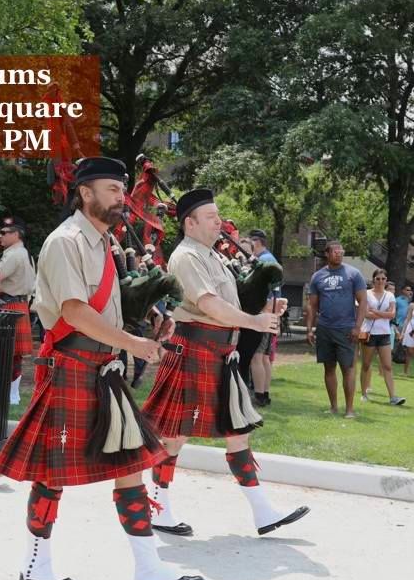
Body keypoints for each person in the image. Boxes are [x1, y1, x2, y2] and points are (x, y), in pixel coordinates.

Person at [0, 157, 205, 580]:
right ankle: (37, 563)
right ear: (85, 192)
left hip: (104, 370)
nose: (120, 198)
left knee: (131, 466)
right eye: (111, 189)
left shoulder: (103, 243)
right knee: (53, 474)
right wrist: (133, 344)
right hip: (71, 364)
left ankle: (149, 567)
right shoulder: (65, 242)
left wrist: (147, 317)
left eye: (122, 190)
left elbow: (106, 303)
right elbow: (73, 311)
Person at [142, 188, 309, 538]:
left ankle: (262, 511)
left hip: (220, 355)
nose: (220, 222)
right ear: (190, 223)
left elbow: (229, 305)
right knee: (174, 436)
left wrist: (263, 312)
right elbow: (210, 305)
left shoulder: (212, 256)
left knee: (238, 431)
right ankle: (158, 506)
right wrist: (255, 323)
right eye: (211, 217)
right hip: (194, 350)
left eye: (218, 216)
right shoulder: (187, 256)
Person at [306, 242, 367, 417]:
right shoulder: (317, 276)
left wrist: (357, 326)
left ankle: (349, 409)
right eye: (335, 252)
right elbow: (312, 305)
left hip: (346, 329)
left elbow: (363, 301)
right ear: (327, 254)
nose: (339, 254)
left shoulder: (353, 274)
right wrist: (310, 329)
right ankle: (333, 407)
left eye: (341, 251)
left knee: (348, 368)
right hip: (325, 328)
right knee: (329, 368)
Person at [0, 215, 37, 405]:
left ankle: (10, 394)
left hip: (9, 304)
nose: (0, 236)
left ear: (17, 235)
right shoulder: (25, 253)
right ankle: (13, 394)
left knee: (6, 353)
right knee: (15, 355)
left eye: (5, 233)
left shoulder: (13, 255)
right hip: (20, 304)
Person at [359, 269, 405, 405]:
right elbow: (366, 314)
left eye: (383, 279)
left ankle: (393, 397)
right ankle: (363, 394)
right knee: (366, 365)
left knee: (387, 366)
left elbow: (392, 315)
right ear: (373, 280)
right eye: (378, 278)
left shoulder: (389, 295)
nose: (380, 281)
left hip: (384, 333)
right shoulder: (366, 294)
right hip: (369, 333)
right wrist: (383, 314)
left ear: (386, 280)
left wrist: (376, 312)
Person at [247, 229, 280, 406]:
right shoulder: (271, 259)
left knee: (257, 357)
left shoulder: (262, 261)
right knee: (265, 357)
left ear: (256, 242)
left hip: (262, 313)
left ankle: (259, 395)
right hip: (272, 312)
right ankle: (264, 393)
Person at [401, 300, 414, 376]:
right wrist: (403, 332)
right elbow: (407, 319)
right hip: (410, 330)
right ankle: (405, 371)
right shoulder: (412, 305)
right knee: (409, 351)